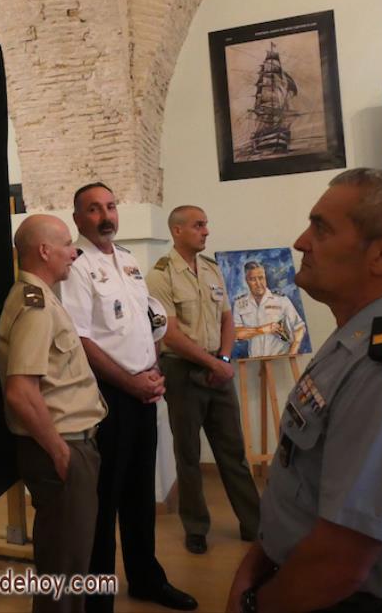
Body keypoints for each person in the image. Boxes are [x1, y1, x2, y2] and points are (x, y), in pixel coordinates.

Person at [226, 169, 382, 613]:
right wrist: (258, 562)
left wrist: (253, 606)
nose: (301, 242)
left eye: (321, 228)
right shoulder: (357, 340)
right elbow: (302, 483)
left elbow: (339, 563)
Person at [59, 183, 197, 613]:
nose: (106, 216)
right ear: (78, 218)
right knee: (104, 502)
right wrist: (130, 381)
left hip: (142, 391)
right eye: (94, 209)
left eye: (111, 206)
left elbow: (146, 323)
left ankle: (146, 579)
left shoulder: (129, 261)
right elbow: (80, 340)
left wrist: (153, 368)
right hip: (107, 398)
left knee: (139, 494)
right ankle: (98, 599)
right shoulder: (77, 267)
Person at [0, 214, 107, 613]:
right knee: (64, 571)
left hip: (70, 445)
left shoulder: (41, 296)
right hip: (62, 448)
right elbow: (21, 392)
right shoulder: (36, 305)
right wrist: (60, 452)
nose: (74, 252)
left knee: (69, 562)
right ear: (44, 251)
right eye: (66, 244)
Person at [146, 205, 259, 556]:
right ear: (177, 231)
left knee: (233, 452)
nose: (206, 231)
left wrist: (222, 360)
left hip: (217, 367)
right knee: (189, 455)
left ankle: (255, 524)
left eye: (205, 225)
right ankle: (195, 528)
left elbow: (227, 319)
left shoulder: (211, 269)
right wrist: (214, 363)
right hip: (182, 371)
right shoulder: (160, 275)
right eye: (198, 225)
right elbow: (170, 334)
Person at [232, 261, 306, 357]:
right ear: (247, 281)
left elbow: (299, 327)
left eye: (261, 278)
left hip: (281, 358)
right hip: (254, 359)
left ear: (265, 278)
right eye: (253, 279)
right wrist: (262, 330)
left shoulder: (281, 300)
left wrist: (292, 352)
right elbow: (236, 334)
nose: (258, 283)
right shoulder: (240, 304)